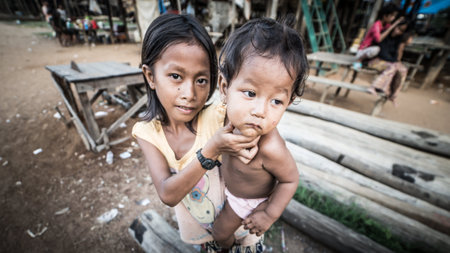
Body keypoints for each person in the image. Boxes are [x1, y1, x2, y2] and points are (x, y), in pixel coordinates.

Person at [132, 14, 263, 252]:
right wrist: (211, 150)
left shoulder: (219, 117)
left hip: (245, 232)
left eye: (201, 80)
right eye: (176, 77)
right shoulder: (147, 133)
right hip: (207, 241)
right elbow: (167, 193)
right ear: (150, 76)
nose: (190, 93)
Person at [211, 18, 306, 249]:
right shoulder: (220, 118)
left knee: (219, 232)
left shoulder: (271, 148)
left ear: (289, 102)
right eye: (250, 93)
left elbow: (290, 179)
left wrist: (269, 214)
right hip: (224, 184)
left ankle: (230, 248)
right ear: (225, 88)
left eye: (276, 101)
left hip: (245, 200)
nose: (260, 111)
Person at [367, 21, 413, 106]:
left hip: (388, 62)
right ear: (394, 26)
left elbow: (395, 56)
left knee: (403, 70)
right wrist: (394, 62)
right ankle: (374, 86)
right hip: (375, 61)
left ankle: (393, 95)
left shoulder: (397, 41)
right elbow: (382, 54)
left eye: (401, 31)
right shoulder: (384, 36)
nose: (398, 31)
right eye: (398, 28)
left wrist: (396, 62)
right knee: (392, 67)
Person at [354, 3, 404, 68]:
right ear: (385, 15)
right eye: (392, 16)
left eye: (394, 16)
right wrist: (394, 25)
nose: (393, 18)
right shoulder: (377, 25)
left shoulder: (387, 25)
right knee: (376, 49)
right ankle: (359, 60)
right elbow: (378, 39)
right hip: (363, 51)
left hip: (373, 54)